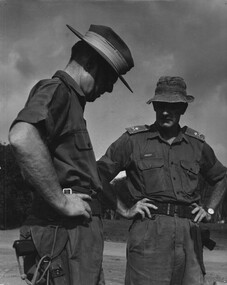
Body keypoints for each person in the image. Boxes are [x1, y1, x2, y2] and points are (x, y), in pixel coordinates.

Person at [9, 24, 134, 285]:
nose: (109, 89)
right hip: (63, 234)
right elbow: (22, 137)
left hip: (74, 236)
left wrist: (122, 209)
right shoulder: (58, 91)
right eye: (109, 79)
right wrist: (61, 201)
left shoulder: (72, 102)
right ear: (89, 61)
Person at [97, 76, 227, 285]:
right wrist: (123, 209)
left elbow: (221, 177)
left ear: (183, 108)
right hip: (149, 232)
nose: (165, 112)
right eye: (160, 106)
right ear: (155, 106)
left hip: (189, 233)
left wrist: (210, 210)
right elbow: (98, 174)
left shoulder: (197, 145)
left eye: (172, 106)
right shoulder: (133, 141)